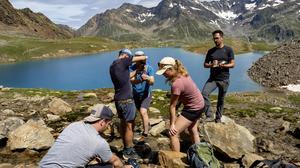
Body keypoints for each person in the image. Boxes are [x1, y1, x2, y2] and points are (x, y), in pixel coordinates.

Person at [39, 104, 132, 168]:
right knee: (109, 166)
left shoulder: (73, 126)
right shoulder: (99, 143)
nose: (108, 126)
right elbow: (116, 162)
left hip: (43, 165)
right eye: (108, 123)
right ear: (102, 122)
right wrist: (124, 166)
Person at [156, 57, 204, 152]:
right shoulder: (183, 73)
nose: (163, 75)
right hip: (200, 105)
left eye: (164, 72)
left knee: (173, 134)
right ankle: (200, 154)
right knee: (192, 130)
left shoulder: (176, 84)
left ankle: (175, 159)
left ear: (170, 69)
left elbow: (172, 106)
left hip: (192, 109)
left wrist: (172, 124)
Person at [109, 49, 147, 160]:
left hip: (119, 100)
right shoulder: (123, 61)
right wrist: (143, 59)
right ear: (125, 56)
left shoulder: (113, 65)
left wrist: (137, 70)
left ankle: (126, 145)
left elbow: (126, 77)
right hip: (127, 101)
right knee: (130, 126)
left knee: (123, 123)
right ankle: (128, 151)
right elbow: (143, 58)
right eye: (129, 57)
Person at [202, 30, 235, 123]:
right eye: (214, 38)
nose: (215, 40)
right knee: (204, 93)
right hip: (213, 79)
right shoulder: (211, 51)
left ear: (221, 38)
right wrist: (211, 65)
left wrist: (222, 65)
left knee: (221, 99)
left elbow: (232, 64)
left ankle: (218, 118)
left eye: (217, 38)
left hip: (224, 79)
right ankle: (209, 115)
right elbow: (205, 64)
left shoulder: (228, 50)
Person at [130, 51, 155, 137]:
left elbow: (152, 82)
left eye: (142, 59)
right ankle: (144, 126)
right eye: (139, 59)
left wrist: (147, 78)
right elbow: (131, 81)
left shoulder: (149, 68)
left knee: (143, 111)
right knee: (136, 113)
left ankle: (145, 132)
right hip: (135, 94)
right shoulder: (132, 68)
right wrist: (140, 78)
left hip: (146, 94)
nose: (141, 61)